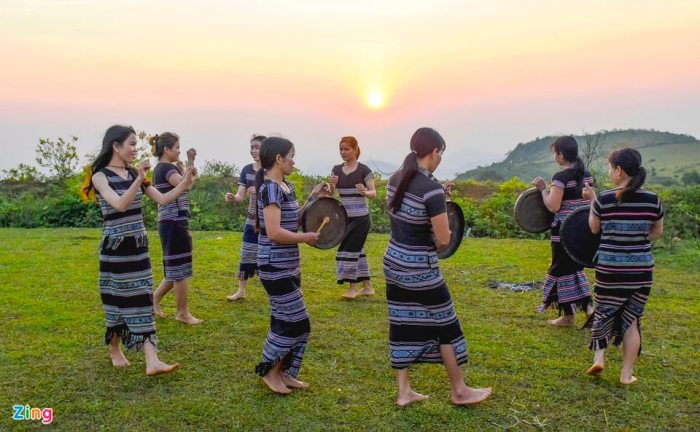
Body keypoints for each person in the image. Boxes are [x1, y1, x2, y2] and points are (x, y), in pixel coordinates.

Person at [383, 127, 492, 407]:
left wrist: (437, 197)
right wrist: (438, 202)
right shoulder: (431, 190)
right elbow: (443, 239)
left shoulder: (396, 177)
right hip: (420, 269)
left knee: (402, 322)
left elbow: (409, 212)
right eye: (440, 153)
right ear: (434, 152)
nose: (440, 158)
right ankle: (459, 390)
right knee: (446, 326)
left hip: (393, 261)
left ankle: (404, 391)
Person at [81, 125, 196, 376]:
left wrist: (185, 183)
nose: (135, 149)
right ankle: (114, 348)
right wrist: (138, 178)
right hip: (116, 248)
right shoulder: (100, 176)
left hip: (138, 247)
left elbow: (163, 199)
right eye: (131, 144)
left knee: (143, 299)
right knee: (118, 301)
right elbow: (120, 205)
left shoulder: (134, 174)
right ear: (116, 146)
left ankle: (152, 361)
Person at [252, 137, 327, 394]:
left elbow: (290, 219)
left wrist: (313, 198)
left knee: (284, 319)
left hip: (289, 264)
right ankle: (270, 371)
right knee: (297, 322)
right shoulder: (270, 188)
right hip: (274, 265)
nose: (294, 161)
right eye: (291, 156)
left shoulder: (285, 186)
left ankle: (284, 372)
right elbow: (274, 232)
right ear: (279, 159)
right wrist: (305, 238)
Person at [584, 148, 664, 384]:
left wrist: (592, 202)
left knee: (603, 311)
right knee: (632, 320)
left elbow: (594, 229)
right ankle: (626, 374)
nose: (610, 172)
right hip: (640, 272)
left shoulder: (604, 199)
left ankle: (599, 358)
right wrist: (636, 241)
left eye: (610, 168)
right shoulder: (653, 200)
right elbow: (656, 233)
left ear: (618, 171)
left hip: (610, 269)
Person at [532, 136, 595, 326]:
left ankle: (589, 310)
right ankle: (570, 315)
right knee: (572, 270)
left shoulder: (560, 178)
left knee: (560, 269)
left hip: (564, 232)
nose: (554, 156)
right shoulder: (587, 175)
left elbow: (553, 206)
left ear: (560, 155)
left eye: (555, 152)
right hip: (582, 231)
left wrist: (543, 189)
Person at [150, 132, 202, 324]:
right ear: (167, 149)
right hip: (173, 223)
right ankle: (182, 313)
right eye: (177, 148)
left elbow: (189, 182)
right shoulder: (164, 168)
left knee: (177, 267)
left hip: (173, 222)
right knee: (180, 269)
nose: (179, 151)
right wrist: (190, 161)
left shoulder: (166, 168)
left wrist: (187, 167)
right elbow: (186, 185)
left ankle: (154, 299)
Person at [327, 136, 377, 299]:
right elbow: (332, 194)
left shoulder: (364, 170)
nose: (343, 152)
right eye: (341, 149)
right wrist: (332, 185)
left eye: (346, 149)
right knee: (358, 251)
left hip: (361, 218)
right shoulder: (336, 169)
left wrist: (364, 191)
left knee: (348, 249)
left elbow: (373, 194)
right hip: (344, 218)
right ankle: (368, 287)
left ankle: (352, 288)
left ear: (355, 150)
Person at [225, 134, 266, 301]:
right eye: (252, 147)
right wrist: (234, 198)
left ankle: (278, 290)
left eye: (257, 147)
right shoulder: (246, 170)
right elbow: (240, 195)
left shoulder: (272, 170)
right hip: (252, 220)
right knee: (247, 253)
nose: (254, 150)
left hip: (270, 220)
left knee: (269, 256)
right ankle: (241, 291)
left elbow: (278, 190)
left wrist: (260, 189)